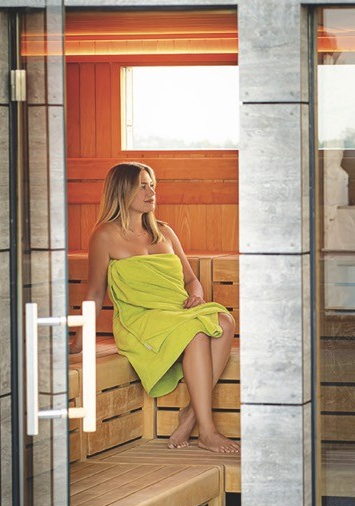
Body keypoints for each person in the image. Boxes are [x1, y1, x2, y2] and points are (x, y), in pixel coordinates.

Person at [70, 161, 239, 454]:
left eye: (152, 186)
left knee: (225, 322)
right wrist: (79, 340)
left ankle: (191, 414)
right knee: (197, 333)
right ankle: (207, 431)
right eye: (142, 187)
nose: (151, 193)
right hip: (141, 318)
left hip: (176, 310)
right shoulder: (105, 235)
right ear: (122, 191)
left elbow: (191, 280)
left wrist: (196, 296)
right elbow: (95, 292)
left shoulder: (164, 232)